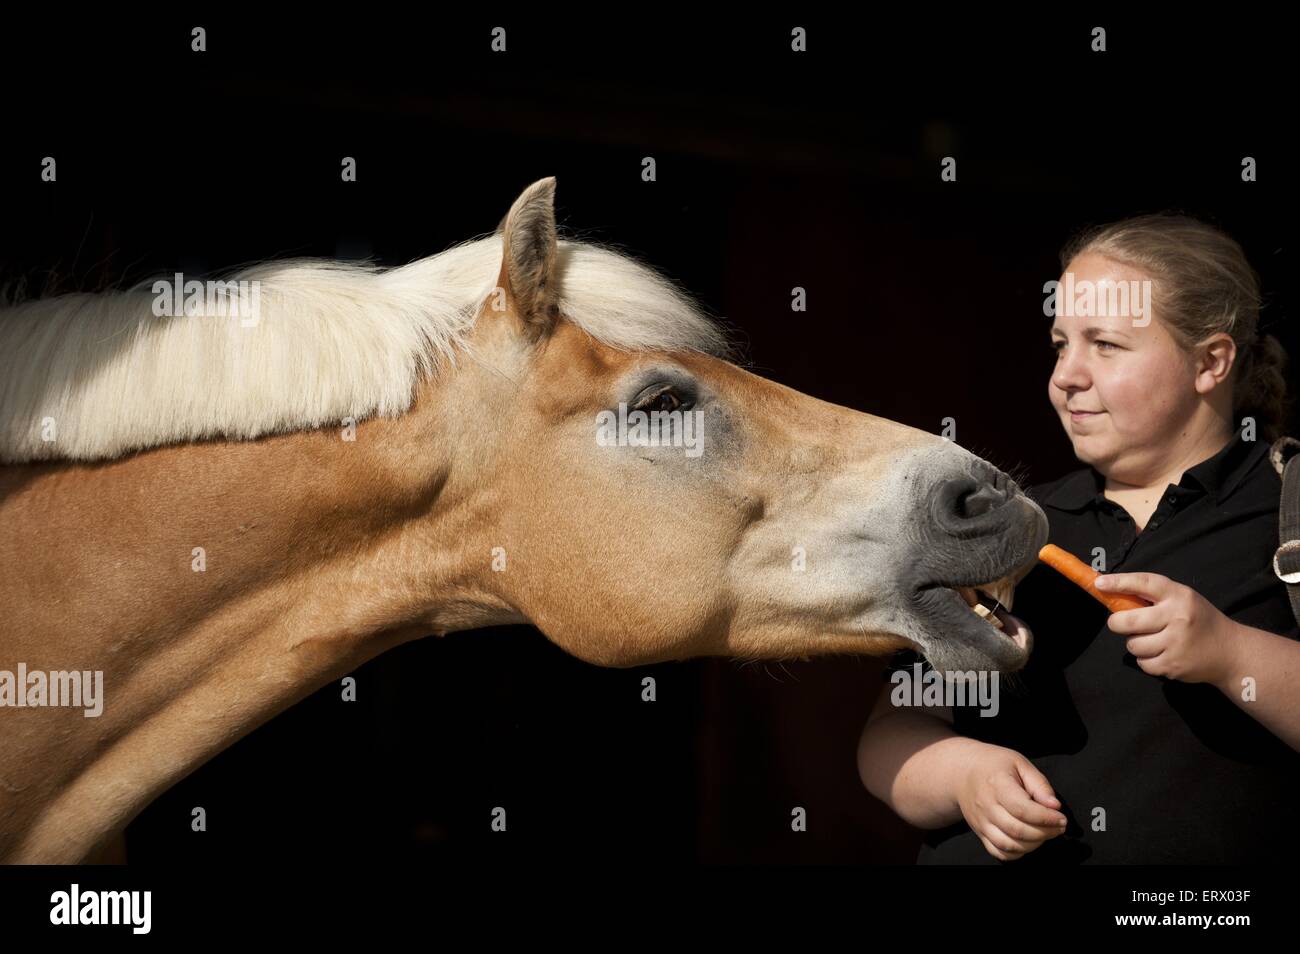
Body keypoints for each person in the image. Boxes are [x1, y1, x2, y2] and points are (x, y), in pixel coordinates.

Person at [857, 213, 1299, 863]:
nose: (1067, 374)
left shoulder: (1286, 510)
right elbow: (893, 730)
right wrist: (962, 775)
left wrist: (1230, 653)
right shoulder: (1009, 524)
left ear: (1210, 362)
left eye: (1106, 345)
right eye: (1061, 343)